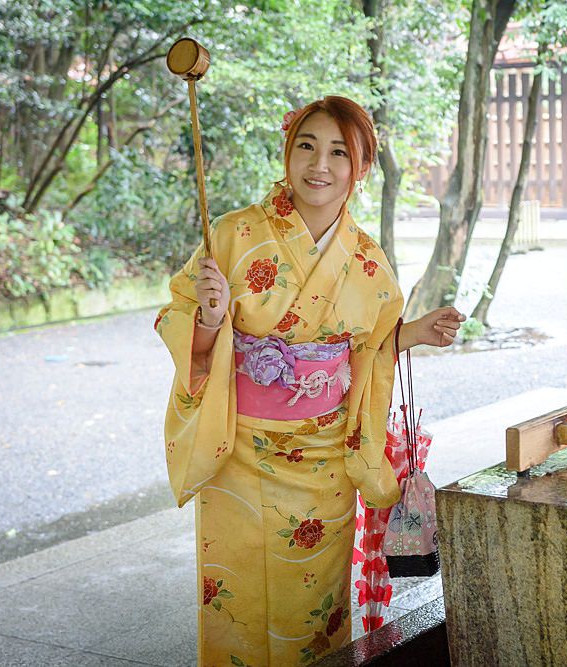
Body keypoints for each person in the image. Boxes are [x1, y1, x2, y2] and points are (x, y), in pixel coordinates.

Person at [154, 95, 464, 666]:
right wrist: (211, 317)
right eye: (306, 145)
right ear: (286, 151)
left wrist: (413, 331)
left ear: (360, 168)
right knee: (234, 596)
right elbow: (183, 332)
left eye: (338, 152)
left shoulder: (368, 261)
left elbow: (368, 350)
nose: (319, 164)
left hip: (324, 460)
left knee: (313, 608)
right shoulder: (233, 234)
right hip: (239, 453)